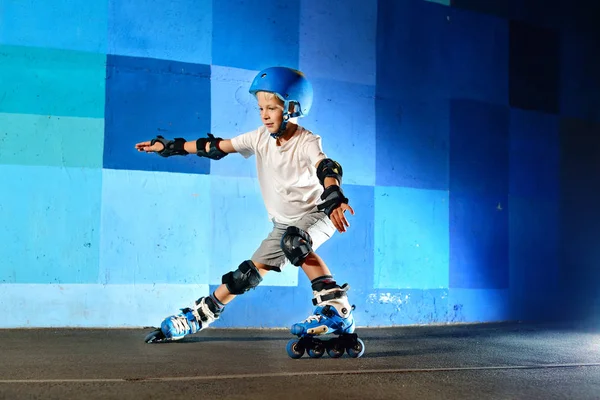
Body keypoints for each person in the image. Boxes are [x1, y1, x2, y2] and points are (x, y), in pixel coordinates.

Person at [135, 66, 360, 356]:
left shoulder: (307, 141)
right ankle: (199, 315)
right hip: (284, 225)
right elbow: (214, 146)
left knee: (296, 242)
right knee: (247, 275)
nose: (264, 114)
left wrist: (335, 196)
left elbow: (326, 168)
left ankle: (336, 309)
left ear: (292, 108)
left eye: (272, 108)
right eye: (261, 108)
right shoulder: (258, 138)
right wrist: (171, 146)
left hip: (318, 214)